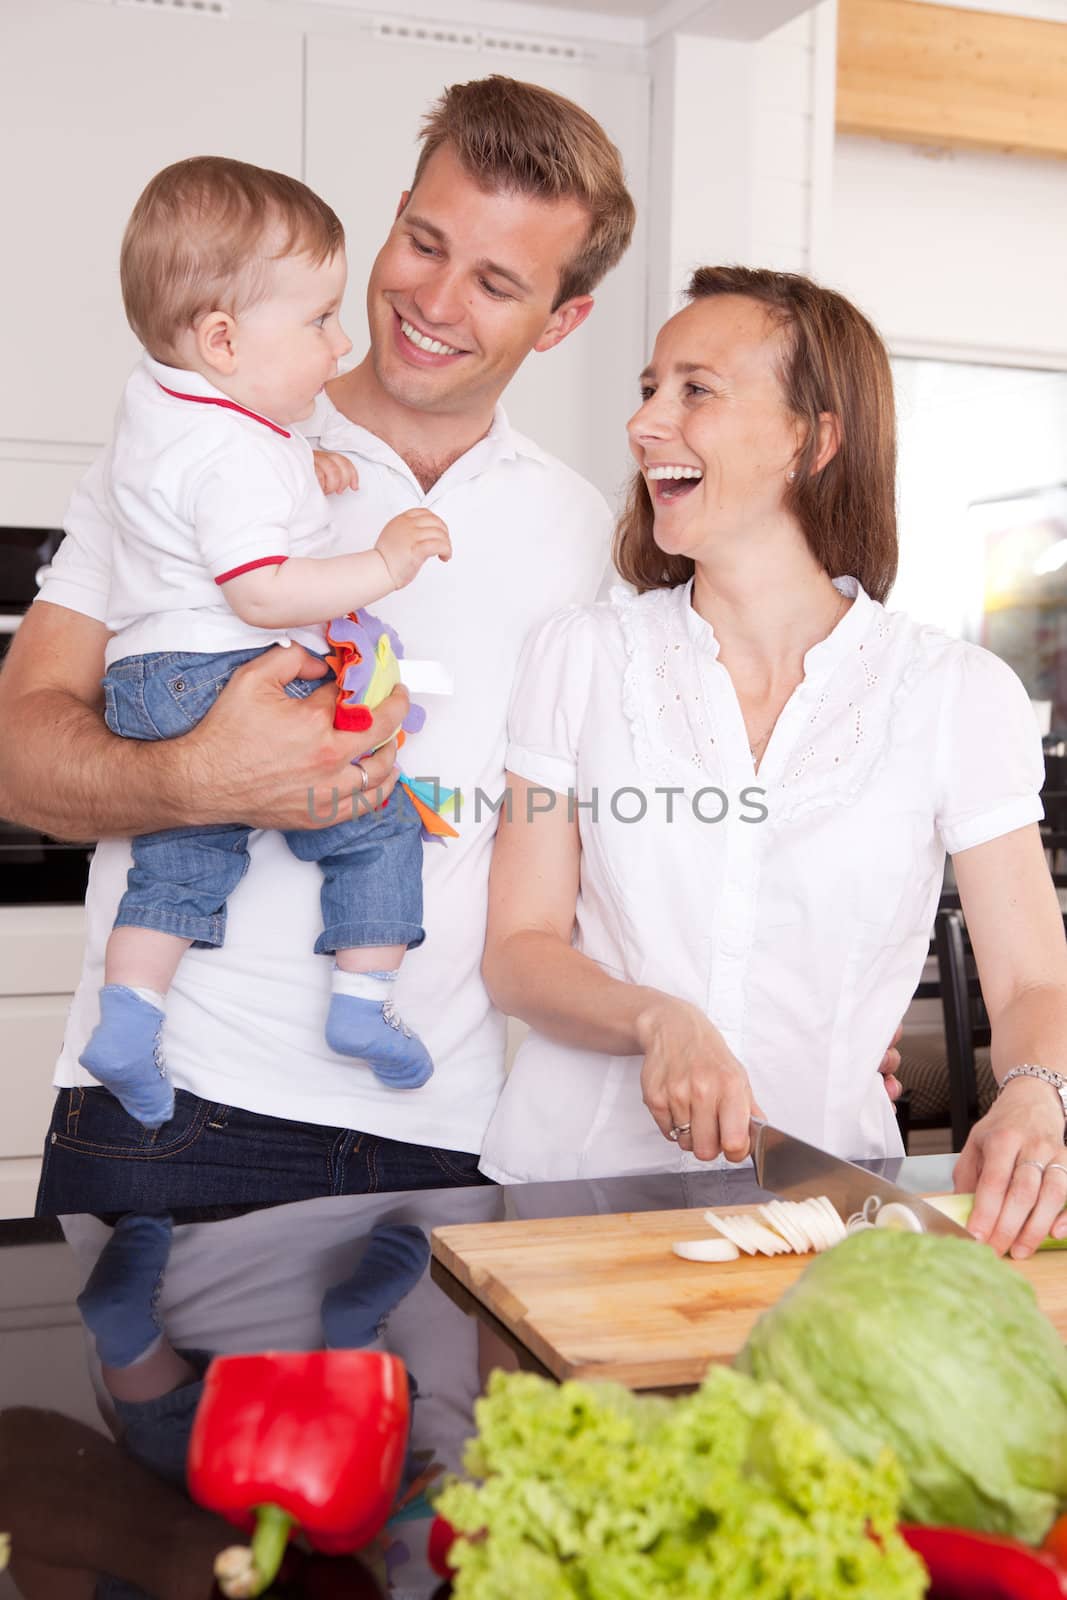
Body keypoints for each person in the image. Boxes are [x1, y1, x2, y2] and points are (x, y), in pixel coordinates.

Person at [0, 75, 635, 1212]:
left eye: (494, 281)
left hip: (451, 1130)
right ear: (391, 214)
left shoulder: (581, 530)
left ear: (564, 318)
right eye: (422, 241)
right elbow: (16, 755)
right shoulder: (198, 437)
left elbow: (584, 836)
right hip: (175, 1116)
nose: (432, 299)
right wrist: (195, 776)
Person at [478, 265, 1067, 1262]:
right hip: (564, 1198)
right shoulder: (578, 656)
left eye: (695, 390)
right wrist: (653, 1017)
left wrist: (1031, 1096)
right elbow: (518, 947)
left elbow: (1025, 987)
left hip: (827, 1217)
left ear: (812, 436)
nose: (646, 422)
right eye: (647, 388)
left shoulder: (951, 694)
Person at [81, 156, 456, 1132]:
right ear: (222, 337)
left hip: (147, 677)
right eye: (319, 320)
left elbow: (221, 460)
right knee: (376, 821)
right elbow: (260, 590)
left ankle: (129, 1017)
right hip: (224, 662)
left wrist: (299, 454)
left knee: (183, 862)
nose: (341, 345)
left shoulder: (171, 406)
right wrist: (379, 563)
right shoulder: (238, 455)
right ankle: (363, 1006)